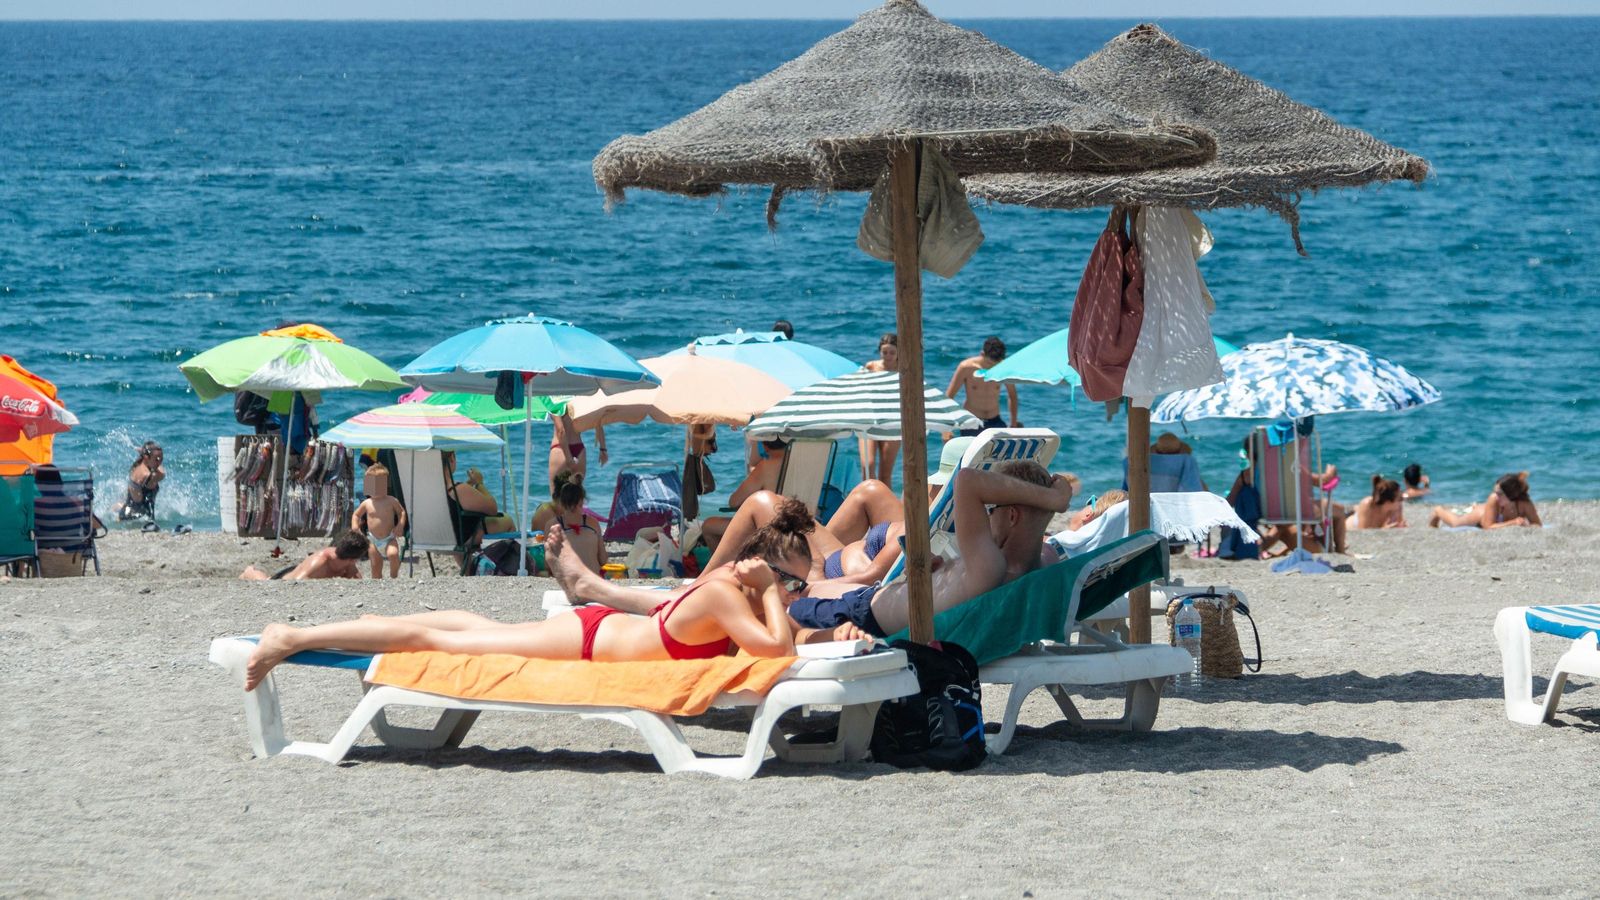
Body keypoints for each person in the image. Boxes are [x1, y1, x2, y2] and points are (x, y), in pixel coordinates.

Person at [240, 508, 817, 691]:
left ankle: (380, 620)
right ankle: (292, 637)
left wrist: (772, 590)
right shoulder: (728, 595)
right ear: (763, 569)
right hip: (586, 641)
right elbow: (774, 653)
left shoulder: (726, 592)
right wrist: (770, 591)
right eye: (791, 581)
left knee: (470, 624)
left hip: (594, 632)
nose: (793, 594)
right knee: (440, 641)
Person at [560, 461, 1073, 641]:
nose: (979, 521)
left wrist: (1050, 496)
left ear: (1008, 515)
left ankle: (594, 589)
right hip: (855, 600)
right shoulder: (1039, 563)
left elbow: (965, 481)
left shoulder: (989, 562)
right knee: (735, 594)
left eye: (991, 514)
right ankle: (613, 591)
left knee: (725, 600)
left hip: (858, 614)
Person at [702, 481, 907, 585]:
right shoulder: (927, 527)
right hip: (840, 559)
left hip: (828, 576)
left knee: (762, 502)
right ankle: (701, 584)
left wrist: (811, 583)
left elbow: (872, 581)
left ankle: (699, 585)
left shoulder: (916, 537)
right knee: (872, 489)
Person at [701, 439, 790, 551]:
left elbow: (734, 502)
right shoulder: (801, 465)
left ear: (764, 445)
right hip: (796, 527)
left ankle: (724, 566)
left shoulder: (766, 466)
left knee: (708, 526)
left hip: (769, 529)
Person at [529, 472, 604, 575]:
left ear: (561, 501)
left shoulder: (552, 525)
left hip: (568, 580)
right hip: (593, 580)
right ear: (582, 501)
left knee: (542, 572)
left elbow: (548, 565)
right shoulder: (593, 523)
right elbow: (603, 559)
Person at [947, 336, 1019, 436]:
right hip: (972, 422)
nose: (992, 367)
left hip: (995, 421)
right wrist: (946, 429)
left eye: (996, 364)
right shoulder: (966, 368)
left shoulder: (1004, 369)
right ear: (982, 354)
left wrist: (1013, 423)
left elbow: (1012, 396)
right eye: (989, 363)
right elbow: (949, 396)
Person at [1429, 471, 1541, 529]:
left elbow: (1537, 525)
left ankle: (1471, 507)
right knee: (1456, 523)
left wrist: (1526, 525)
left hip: (1489, 512)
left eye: (1499, 493)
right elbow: (1488, 526)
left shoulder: (1525, 503)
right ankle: (1438, 510)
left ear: (1511, 495)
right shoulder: (1493, 499)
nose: (1495, 495)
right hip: (1481, 516)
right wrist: (1513, 522)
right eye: (1495, 492)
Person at [241, 531, 370, 581]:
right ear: (354, 558)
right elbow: (295, 582)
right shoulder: (320, 562)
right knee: (266, 581)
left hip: (301, 570)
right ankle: (249, 571)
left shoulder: (348, 562)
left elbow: (357, 580)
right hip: (287, 577)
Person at [859, 333, 901, 483]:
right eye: (884, 352)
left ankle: (884, 506)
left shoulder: (903, 370)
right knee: (867, 466)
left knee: (885, 474)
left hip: (893, 422)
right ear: (879, 352)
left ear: (898, 353)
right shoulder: (871, 367)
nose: (888, 356)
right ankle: (866, 504)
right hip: (870, 419)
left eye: (892, 352)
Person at [353, 463, 407, 579]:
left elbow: (401, 512)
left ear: (386, 484)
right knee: (375, 565)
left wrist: (400, 525)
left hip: (389, 538)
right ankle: (377, 582)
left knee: (393, 555)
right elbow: (356, 515)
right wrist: (355, 527)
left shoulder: (391, 500)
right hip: (372, 539)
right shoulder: (367, 503)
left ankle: (394, 576)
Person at [549, 410, 606, 498]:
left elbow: (561, 431)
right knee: (577, 499)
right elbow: (597, 422)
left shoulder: (555, 400)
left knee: (556, 498)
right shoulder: (578, 399)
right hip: (579, 449)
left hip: (560, 449)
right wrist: (603, 449)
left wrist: (568, 458)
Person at [116, 441, 165, 523]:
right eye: (156, 459)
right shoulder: (146, 475)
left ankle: (115, 508)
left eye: (161, 458)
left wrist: (144, 453)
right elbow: (162, 474)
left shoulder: (143, 464)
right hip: (132, 513)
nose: (160, 462)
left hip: (133, 504)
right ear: (146, 458)